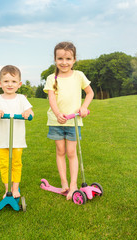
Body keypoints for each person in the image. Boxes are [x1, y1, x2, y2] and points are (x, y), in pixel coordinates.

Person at [43, 41, 94, 200]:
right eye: (60, 59)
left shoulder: (79, 75)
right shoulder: (52, 77)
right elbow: (51, 98)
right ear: (55, 59)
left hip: (73, 121)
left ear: (74, 59)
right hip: (56, 121)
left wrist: (84, 107)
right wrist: (58, 114)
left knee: (72, 152)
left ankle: (73, 185)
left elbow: (90, 93)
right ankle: (64, 184)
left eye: (68, 59)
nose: (64, 62)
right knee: (60, 151)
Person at [0, 65, 34, 199]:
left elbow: (31, 113)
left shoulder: (21, 99)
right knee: (4, 164)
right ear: (0, 83)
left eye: (13, 81)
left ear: (19, 84)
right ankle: (8, 189)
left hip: (17, 140)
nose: (9, 84)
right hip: (1, 140)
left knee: (16, 163)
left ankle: (15, 188)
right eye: (6, 81)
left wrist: (27, 113)